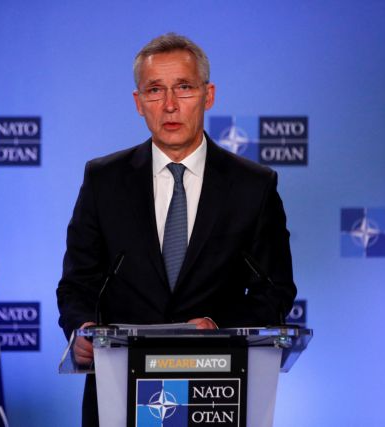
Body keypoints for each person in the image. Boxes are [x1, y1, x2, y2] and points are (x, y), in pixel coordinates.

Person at [57, 32, 297, 426]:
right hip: (119, 390)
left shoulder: (253, 186)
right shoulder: (104, 180)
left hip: (215, 388)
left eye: (184, 87)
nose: (170, 104)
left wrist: (218, 326)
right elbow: (77, 283)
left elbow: (276, 291)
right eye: (155, 90)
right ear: (138, 102)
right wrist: (82, 329)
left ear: (208, 95)